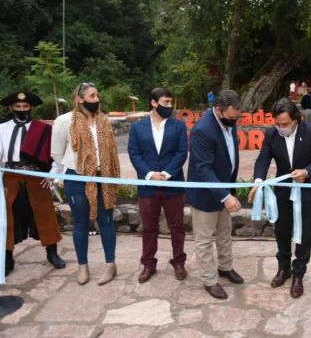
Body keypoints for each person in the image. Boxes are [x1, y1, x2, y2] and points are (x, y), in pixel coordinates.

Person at [249, 98, 311, 298]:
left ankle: (299, 274)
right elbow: (263, 159)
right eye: (277, 124)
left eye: (284, 124)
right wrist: (258, 181)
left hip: (308, 189)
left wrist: (307, 172)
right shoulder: (272, 134)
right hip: (283, 191)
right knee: (282, 230)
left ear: (296, 119)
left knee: (305, 232)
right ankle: (284, 268)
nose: (280, 128)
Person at [51, 82, 120, 285]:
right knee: (80, 223)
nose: (96, 99)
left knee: (106, 221)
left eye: (97, 95)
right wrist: (70, 170)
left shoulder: (104, 120)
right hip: (77, 178)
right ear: (79, 99)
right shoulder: (65, 121)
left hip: (102, 177)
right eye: (91, 96)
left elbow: (111, 150)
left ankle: (111, 265)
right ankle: (83, 266)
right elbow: (56, 151)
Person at [0, 91, 65, 275]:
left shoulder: (44, 129)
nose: (22, 110)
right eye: (18, 107)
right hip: (11, 177)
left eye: (25, 107)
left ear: (31, 107)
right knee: (7, 219)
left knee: (45, 215)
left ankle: (52, 253)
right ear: (11, 108)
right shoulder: (2, 129)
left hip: (37, 176)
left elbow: (55, 154)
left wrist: (53, 175)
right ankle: (7, 257)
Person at [186, 89, 244, 300]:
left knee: (224, 232)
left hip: (223, 191)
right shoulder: (202, 130)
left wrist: (227, 192)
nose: (235, 121)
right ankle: (210, 280)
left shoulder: (229, 120)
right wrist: (225, 196)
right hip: (205, 195)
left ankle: (225, 268)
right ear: (218, 110)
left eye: (237, 117)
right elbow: (203, 169)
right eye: (231, 117)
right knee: (204, 239)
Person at [128, 88, 188, 283]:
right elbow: (134, 153)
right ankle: (148, 264)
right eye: (166, 102)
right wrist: (150, 174)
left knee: (177, 226)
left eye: (171, 102)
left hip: (173, 184)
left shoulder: (178, 126)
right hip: (148, 186)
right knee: (148, 227)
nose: (169, 106)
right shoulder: (138, 128)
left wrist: (167, 173)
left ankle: (179, 262)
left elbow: (182, 152)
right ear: (154, 103)